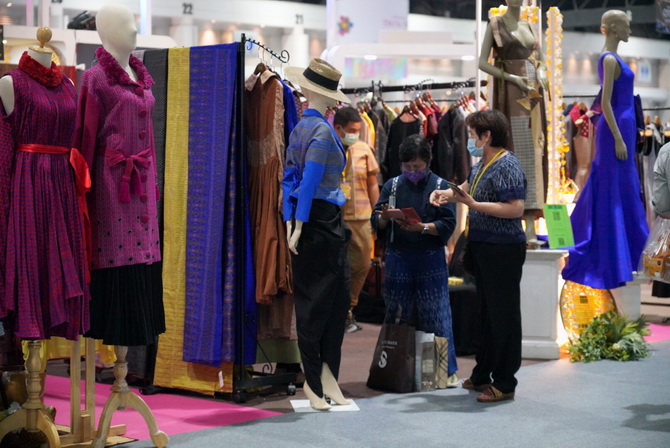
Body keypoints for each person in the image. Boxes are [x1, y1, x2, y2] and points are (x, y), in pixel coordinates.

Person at [73, 3, 165, 347]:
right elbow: (83, 137)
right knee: (115, 251)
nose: (134, 30)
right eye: (126, 23)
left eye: (134, 23)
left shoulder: (141, 76)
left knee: (144, 256)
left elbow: (149, 136)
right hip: (111, 185)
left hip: (142, 182)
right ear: (106, 30)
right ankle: (113, 331)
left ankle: (134, 342)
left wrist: (153, 184)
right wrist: (81, 193)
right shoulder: (95, 78)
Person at [430, 109, 526, 403]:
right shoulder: (482, 163)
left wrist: (474, 205)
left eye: (473, 134)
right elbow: (466, 189)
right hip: (482, 246)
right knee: (485, 312)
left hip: (503, 249)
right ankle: (483, 372)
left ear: (487, 135)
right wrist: (445, 194)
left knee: (503, 316)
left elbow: (516, 208)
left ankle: (505, 382)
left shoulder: (508, 164)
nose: (470, 139)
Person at [561, 10, 648, 290]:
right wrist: (618, 138)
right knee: (613, 185)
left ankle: (626, 251)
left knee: (622, 185)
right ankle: (614, 255)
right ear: (610, 28)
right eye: (625, 26)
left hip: (624, 126)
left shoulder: (614, 58)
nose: (629, 30)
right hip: (616, 130)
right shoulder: (608, 59)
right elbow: (606, 103)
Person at [283, 58, 352, 411]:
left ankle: (326, 377)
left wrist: (291, 221)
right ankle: (314, 381)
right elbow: (306, 183)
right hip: (320, 222)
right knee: (319, 304)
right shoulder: (321, 132)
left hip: (317, 221)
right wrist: (298, 223)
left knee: (330, 301)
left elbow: (289, 179)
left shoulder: (302, 127)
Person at [371, 134, 458, 386]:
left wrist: (423, 228)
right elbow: (376, 218)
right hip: (398, 260)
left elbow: (448, 223)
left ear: (428, 163)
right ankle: (395, 372)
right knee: (396, 314)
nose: (412, 172)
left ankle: (440, 374)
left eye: (417, 167)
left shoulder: (441, 186)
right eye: (407, 167)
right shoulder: (392, 186)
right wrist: (385, 217)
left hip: (430, 261)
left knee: (436, 315)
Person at [478, 0, 547, 242]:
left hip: (533, 94)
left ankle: (530, 222)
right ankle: (512, 219)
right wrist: (511, 77)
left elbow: (541, 59)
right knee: (513, 150)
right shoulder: (496, 24)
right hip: (510, 92)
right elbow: (482, 62)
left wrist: (541, 71)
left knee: (534, 153)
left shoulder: (531, 26)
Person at [333, 107, 380, 333]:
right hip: (334, 217)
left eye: (358, 130)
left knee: (362, 265)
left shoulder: (364, 150)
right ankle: (339, 312)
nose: (355, 134)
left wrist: (378, 213)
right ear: (338, 128)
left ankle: (349, 307)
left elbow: (372, 184)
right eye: (351, 130)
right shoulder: (329, 148)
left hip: (361, 217)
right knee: (335, 266)